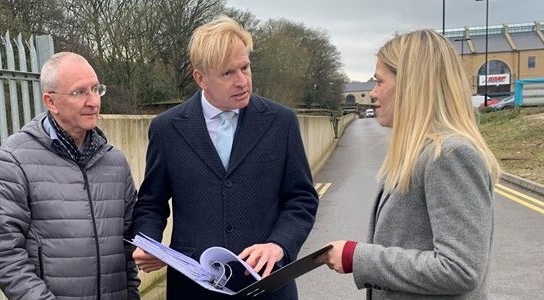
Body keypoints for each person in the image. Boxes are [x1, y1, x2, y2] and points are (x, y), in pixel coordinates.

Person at [131, 16, 319, 299]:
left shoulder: (282, 123)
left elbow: (302, 199)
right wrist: (148, 242)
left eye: (245, 67)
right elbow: (151, 203)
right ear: (200, 78)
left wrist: (278, 245)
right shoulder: (167, 128)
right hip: (192, 289)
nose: (242, 81)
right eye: (228, 73)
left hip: (267, 286)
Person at [317, 29, 501, 299]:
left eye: (379, 82)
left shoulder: (450, 155)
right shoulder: (421, 153)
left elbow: (461, 269)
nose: (372, 94)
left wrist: (358, 258)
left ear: (411, 85)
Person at [0, 52, 140, 300]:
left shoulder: (115, 162)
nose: (93, 101)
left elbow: (126, 248)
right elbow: (5, 252)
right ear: (51, 102)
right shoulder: (15, 159)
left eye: (95, 89)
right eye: (80, 92)